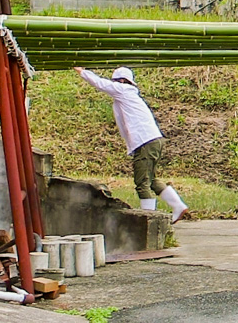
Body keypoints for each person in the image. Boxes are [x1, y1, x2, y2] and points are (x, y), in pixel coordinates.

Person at [73, 66, 188, 223]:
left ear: (121, 81)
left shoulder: (124, 90)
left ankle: (148, 221)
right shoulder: (128, 95)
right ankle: (178, 206)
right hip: (152, 140)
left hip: (146, 141)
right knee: (151, 180)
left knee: (142, 183)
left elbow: (100, 83)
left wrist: (82, 71)